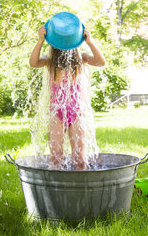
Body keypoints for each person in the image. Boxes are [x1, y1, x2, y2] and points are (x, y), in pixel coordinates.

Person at [29, 26, 106, 170]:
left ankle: (80, 189)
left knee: (80, 160)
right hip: (56, 114)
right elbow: (33, 63)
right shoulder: (50, 60)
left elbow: (101, 62)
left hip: (76, 113)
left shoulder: (81, 58)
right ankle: (58, 190)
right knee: (56, 157)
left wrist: (90, 41)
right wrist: (40, 41)